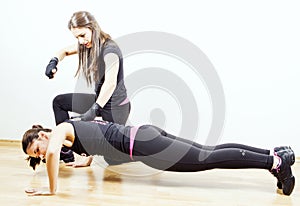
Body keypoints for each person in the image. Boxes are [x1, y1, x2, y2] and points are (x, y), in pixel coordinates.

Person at [22, 120, 296, 196]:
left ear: (43, 136)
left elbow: (55, 152)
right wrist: (87, 159)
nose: (41, 155)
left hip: (146, 147)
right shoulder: (72, 130)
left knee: (207, 159)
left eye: (37, 150)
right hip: (145, 134)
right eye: (36, 156)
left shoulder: (58, 131)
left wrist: (52, 190)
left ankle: (276, 163)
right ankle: (274, 155)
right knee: (209, 151)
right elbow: (96, 136)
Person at [44, 11, 131, 165]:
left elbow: (110, 83)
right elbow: (63, 51)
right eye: (77, 37)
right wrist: (53, 62)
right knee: (59, 102)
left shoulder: (110, 50)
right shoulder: (89, 44)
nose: (81, 41)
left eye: (83, 35)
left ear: (93, 28)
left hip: (115, 106)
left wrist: (94, 110)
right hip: (100, 100)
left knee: (111, 158)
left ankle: (144, 146)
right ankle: (66, 152)